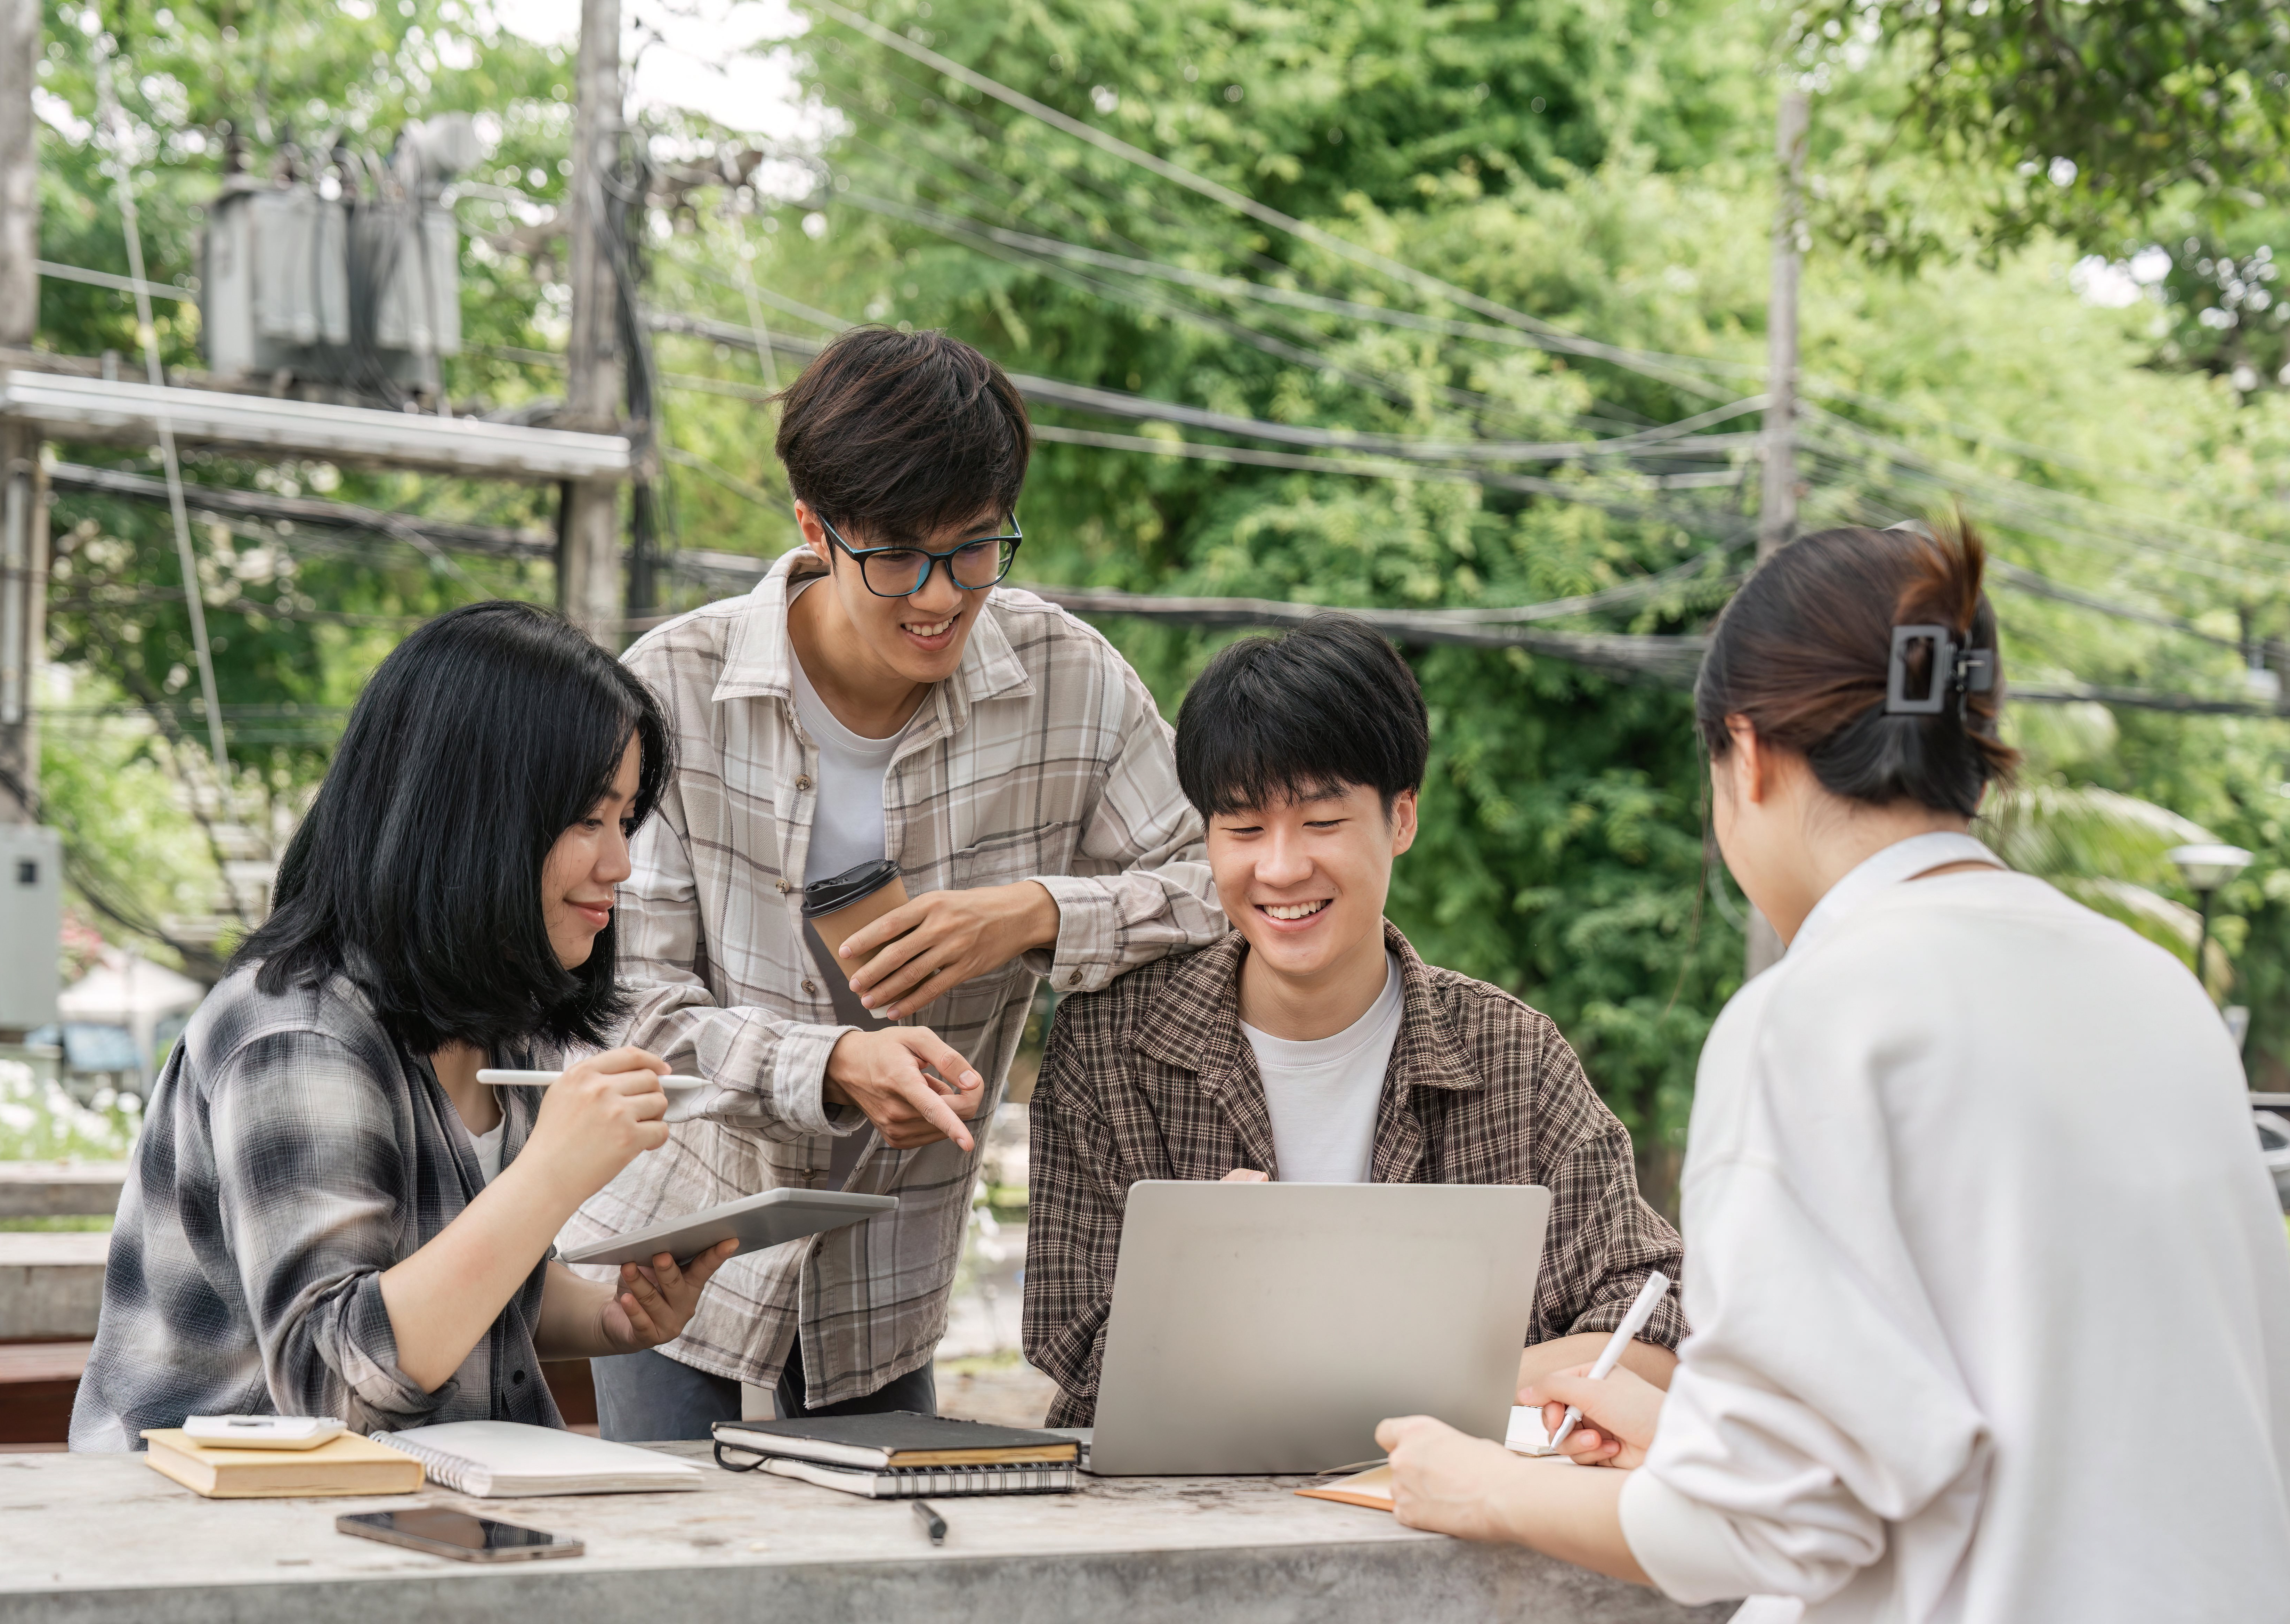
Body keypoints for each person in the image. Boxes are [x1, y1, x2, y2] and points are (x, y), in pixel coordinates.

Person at [1375, 521, 2290, 1621]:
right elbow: (2033, 1408)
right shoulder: (2156, 993)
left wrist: (1488, 1488)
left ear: (1747, 755)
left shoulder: (1815, 1018)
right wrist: (1705, 1443)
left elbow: (1760, 1535)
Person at [564, 327, 1225, 1440]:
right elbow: (627, 1011)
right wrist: (828, 1064)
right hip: (679, 1272)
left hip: (888, 1283)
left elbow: (1220, 883)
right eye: (897, 556)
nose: (939, 596)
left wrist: (1039, 915)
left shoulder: (1072, 681)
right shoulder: (668, 690)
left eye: (974, 550)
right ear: (814, 530)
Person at [70, 602, 737, 1448]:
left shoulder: (504, 1021)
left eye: (625, 818)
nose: (621, 864)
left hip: (423, 1511)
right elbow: (333, 1387)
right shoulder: (296, 1033)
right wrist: (553, 1175)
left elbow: (477, 1295)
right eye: (586, 818)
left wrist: (613, 1316)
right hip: (230, 1530)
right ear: (475, 817)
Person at [1023, 614, 1687, 1428]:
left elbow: (1648, 1333)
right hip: (1172, 1523)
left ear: (1401, 818)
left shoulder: (1514, 1058)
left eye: (1322, 822)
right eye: (1242, 828)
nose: (1279, 867)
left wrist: (1421, 1387)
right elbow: (1076, 1345)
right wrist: (1189, 1284)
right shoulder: (1110, 1049)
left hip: (1440, 1530)